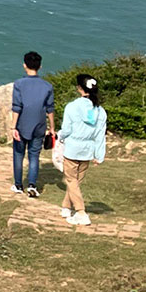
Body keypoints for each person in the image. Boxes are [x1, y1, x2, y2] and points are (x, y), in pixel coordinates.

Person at [56, 73, 107, 225]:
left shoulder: (72, 107)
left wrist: (60, 136)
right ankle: (66, 207)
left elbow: (66, 129)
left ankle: (81, 212)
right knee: (76, 181)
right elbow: (100, 134)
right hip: (87, 150)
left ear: (79, 88)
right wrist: (99, 155)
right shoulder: (100, 111)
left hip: (72, 148)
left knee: (71, 180)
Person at [11, 51, 55, 198]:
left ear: (24, 65)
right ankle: (32, 185)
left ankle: (18, 185)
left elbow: (17, 107)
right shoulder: (47, 86)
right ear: (40, 66)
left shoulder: (19, 84)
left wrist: (13, 127)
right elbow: (50, 109)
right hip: (39, 126)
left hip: (22, 125)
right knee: (34, 156)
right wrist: (52, 128)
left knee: (18, 154)